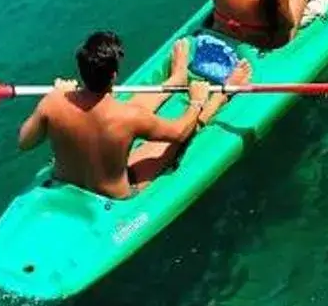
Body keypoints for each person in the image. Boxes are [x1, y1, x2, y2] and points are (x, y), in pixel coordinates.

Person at [18, 30, 241, 198]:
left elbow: (25, 143)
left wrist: (54, 98)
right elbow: (181, 132)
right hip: (117, 195)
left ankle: (175, 81)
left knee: (131, 110)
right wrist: (197, 101)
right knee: (167, 144)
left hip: (66, 181)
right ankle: (221, 96)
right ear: (113, 76)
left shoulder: (53, 102)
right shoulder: (128, 117)